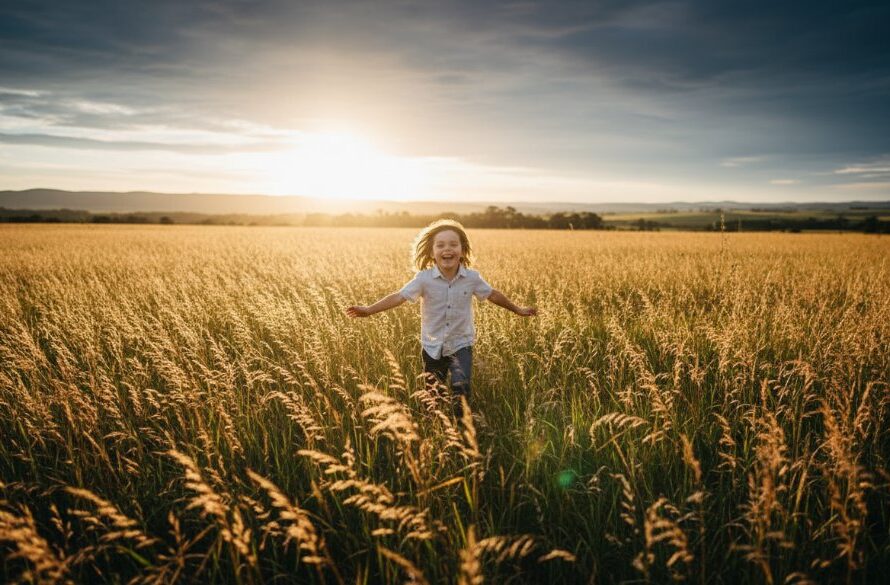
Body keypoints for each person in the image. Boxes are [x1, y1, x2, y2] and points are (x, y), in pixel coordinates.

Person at [346, 219, 537, 417]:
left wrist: (517, 309)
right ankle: (434, 425)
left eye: (454, 244)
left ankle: (462, 427)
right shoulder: (424, 279)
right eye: (441, 245)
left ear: (463, 251)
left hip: (461, 344)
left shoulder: (471, 278)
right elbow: (399, 296)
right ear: (431, 252)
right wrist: (369, 310)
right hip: (432, 346)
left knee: (461, 389)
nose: (448, 249)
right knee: (433, 394)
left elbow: (493, 294)